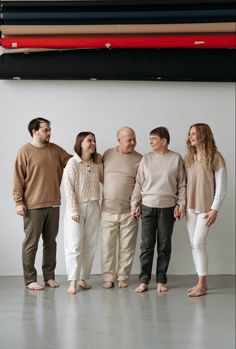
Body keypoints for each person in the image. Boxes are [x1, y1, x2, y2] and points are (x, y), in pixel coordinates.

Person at [13, 117, 71, 290]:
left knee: (50, 242)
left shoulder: (56, 150)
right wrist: (18, 201)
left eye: (49, 129)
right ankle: (30, 279)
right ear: (35, 131)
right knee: (31, 243)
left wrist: (94, 156)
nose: (49, 132)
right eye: (46, 129)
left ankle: (49, 277)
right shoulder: (24, 151)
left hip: (53, 204)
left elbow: (73, 162)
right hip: (33, 206)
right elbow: (18, 179)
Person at [131, 127, 186, 293]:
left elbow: (182, 184)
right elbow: (138, 183)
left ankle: (161, 280)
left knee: (164, 246)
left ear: (164, 140)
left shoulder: (176, 159)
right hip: (147, 207)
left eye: (154, 138)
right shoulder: (146, 159)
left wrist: (181, 204)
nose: (150, 142)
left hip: (168, 208)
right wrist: (134, 204)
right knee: (146, 245)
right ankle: (144, 281)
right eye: (150, 139)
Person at [184, 123, 227, 297]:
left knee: (198, 243)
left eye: (193, 134)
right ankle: (201, 282)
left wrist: (214, 209)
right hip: (190, 208)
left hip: (206, 208)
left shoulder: (215, 157)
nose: (190, 137)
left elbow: (222, 187)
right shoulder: (189, 157)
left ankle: (202, 285)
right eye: (189, 134)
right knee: (194, 245)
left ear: (203, 135)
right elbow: (184, 184)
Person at [101, 127, 142, 288]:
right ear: (119, 140)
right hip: (107, 210)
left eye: (134, 139)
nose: (133, 142)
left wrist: (136, 205)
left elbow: (141, 185)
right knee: (107, 247)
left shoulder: (140, 159)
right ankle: (108, 278)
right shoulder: (107, 154)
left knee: (127, 247)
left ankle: (122, 277)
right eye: (129, 140)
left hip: (129, 211)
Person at [63, 132, 103, 295]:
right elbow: (68, 187)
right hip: (77, 207)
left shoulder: (97, 163)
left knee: (90, 244)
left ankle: (82, 278)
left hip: (94, 205)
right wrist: (74, 210)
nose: (92, 143)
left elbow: (105, 179)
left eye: (94, 140)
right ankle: (72, 281)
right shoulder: (73, 163)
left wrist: (101, 160)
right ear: (80, 143)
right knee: (74, 244)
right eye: (89, 140)